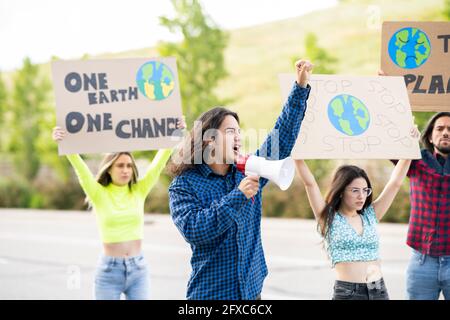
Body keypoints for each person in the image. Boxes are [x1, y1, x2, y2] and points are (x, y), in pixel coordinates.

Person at [167, 59, 313, 299]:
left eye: (239, 131)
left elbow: (283, 134)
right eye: (230, 131)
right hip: (212, 296)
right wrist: (238, 196)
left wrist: (300, 87)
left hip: (252, 292)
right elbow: (196, 230)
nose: (238, 137)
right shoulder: (184, 185)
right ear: (209, 139)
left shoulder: (249, 171)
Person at [52, 117, 185, 300]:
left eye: (129, 166)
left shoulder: (139, 190)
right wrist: (64, 142)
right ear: (109, 168)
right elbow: (80, 168)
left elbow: (159, 162)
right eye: (120, 165)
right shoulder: (98, 193)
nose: (126, 170)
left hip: (138, 270)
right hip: (109, 273)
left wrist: (175, 133)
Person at [294, 125, 419, 300]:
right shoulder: (328, 217)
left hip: (378, 290)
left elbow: (395, 182)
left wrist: (410, 145)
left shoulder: (370, 215)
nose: (361, 196)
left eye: (365, 190)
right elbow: (310, 184)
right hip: (348, 293)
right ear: (341, 191)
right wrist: (297, 153)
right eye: (355, 190)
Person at [378, 70, 450, 299]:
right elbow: (387, 140)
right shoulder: (415, 160)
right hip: (422, 261)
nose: (446, 132)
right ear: (430, 136)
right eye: (440, 128)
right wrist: (385, 91)